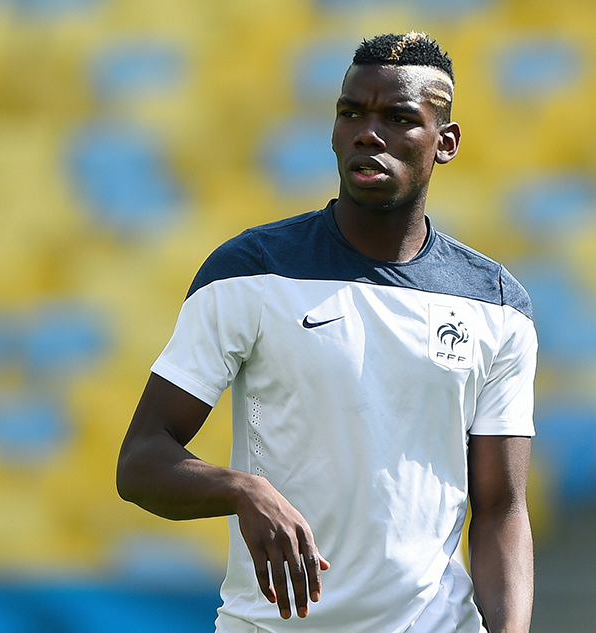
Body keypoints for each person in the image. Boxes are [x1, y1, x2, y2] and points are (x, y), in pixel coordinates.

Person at [116, 32, 535, 633]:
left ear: (445, 143)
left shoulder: (495, 304)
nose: (369, 132)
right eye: (350, 113)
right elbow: (140, 461)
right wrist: (240, 489)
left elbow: (500, 507)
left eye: (397, 117)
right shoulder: (250, 271)